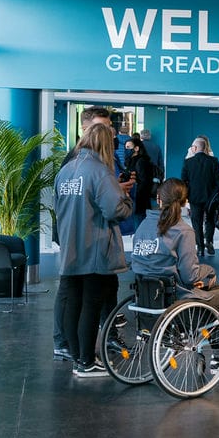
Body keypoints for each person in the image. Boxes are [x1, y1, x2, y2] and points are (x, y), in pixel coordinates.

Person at [54, 122, 133, 378]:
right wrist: (127, 200)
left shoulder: (66, 171)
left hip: (70, 247)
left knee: (73, 304)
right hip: (95, 248)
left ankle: (79, 359)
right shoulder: (100, 171)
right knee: (91, 305)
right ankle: (88, 361)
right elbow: (114, 210)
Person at [129, 178, 219, 318]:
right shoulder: (183, 231)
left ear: (158, 199)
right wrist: (209, 270)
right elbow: (189, 276)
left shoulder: (143, 226)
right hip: (176, 302)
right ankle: (216, 337)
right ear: (184, 202)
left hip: (147, 298)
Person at [181, 136, 219, 257]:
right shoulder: (213, 161)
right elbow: (218, 180)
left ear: (194, 148)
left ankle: (200, 247)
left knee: (196, 222)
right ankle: (209, 243)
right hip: (210, 197)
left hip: (194, 197)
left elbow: (184, 181)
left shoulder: (188, 162)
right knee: (210, 220)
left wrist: (185, 197)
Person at [123, 136, 156, 229]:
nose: (126, 150)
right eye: (125, 147)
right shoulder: (132, 161)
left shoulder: (140, 162)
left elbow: (144, 181)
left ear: (136, 148)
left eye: (129, 147)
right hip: (136, 197)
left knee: (139, 222)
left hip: (139, 199)